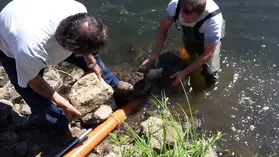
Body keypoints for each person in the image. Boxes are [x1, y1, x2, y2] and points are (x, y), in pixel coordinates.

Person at [0, 0, 133, 136]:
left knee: (90, 53)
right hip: (8, 43)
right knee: (31, 93)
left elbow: (86, 47)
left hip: (32, 12)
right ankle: (56, 122)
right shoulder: (30, 49)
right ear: (66, 47)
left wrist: (92, 62)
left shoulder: (77, 10)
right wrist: (62, 103)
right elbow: (33, 81)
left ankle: (113, 84)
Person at [142, 0, 225, 88]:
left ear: (201, 13)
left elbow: (208, 53)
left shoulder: (213, 21)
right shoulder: (175, 5)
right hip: (191, 32)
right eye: (183, 17)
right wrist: (156, 53)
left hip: (208, 34)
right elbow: (163, 28)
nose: (185, 21)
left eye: (190, 20)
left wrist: (185, 72)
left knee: (210, 72)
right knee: (189, 50)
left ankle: (210, 86)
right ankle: (190, 59)